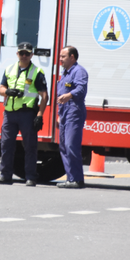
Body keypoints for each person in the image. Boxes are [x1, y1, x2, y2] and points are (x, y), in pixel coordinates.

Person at [0, 42, 48, 187]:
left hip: (27, 114)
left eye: (27, 53)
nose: (24, 56)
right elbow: (1, 88)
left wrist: (39, 115)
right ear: (17, 54)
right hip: (10, 114)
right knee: (6, 145)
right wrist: (7, 91)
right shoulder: (9, 69)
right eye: (21, 53)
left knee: (30, 146)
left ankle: (30, 177)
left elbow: (44, 96)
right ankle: (5, 176)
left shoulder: (37, 71)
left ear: (31, 55)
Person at [56, 46, 89, 189]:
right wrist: (59, 115)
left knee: (71, 145)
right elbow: (61, 93)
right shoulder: (65, 73)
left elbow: (81, 88)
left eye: (63, 56)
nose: (60, 59)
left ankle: (77, 179)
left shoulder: (79, 71)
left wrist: (69, 95)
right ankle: (71, 179)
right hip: (64, 112)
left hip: (74, 111)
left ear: (72, 57)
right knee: (64, 146)